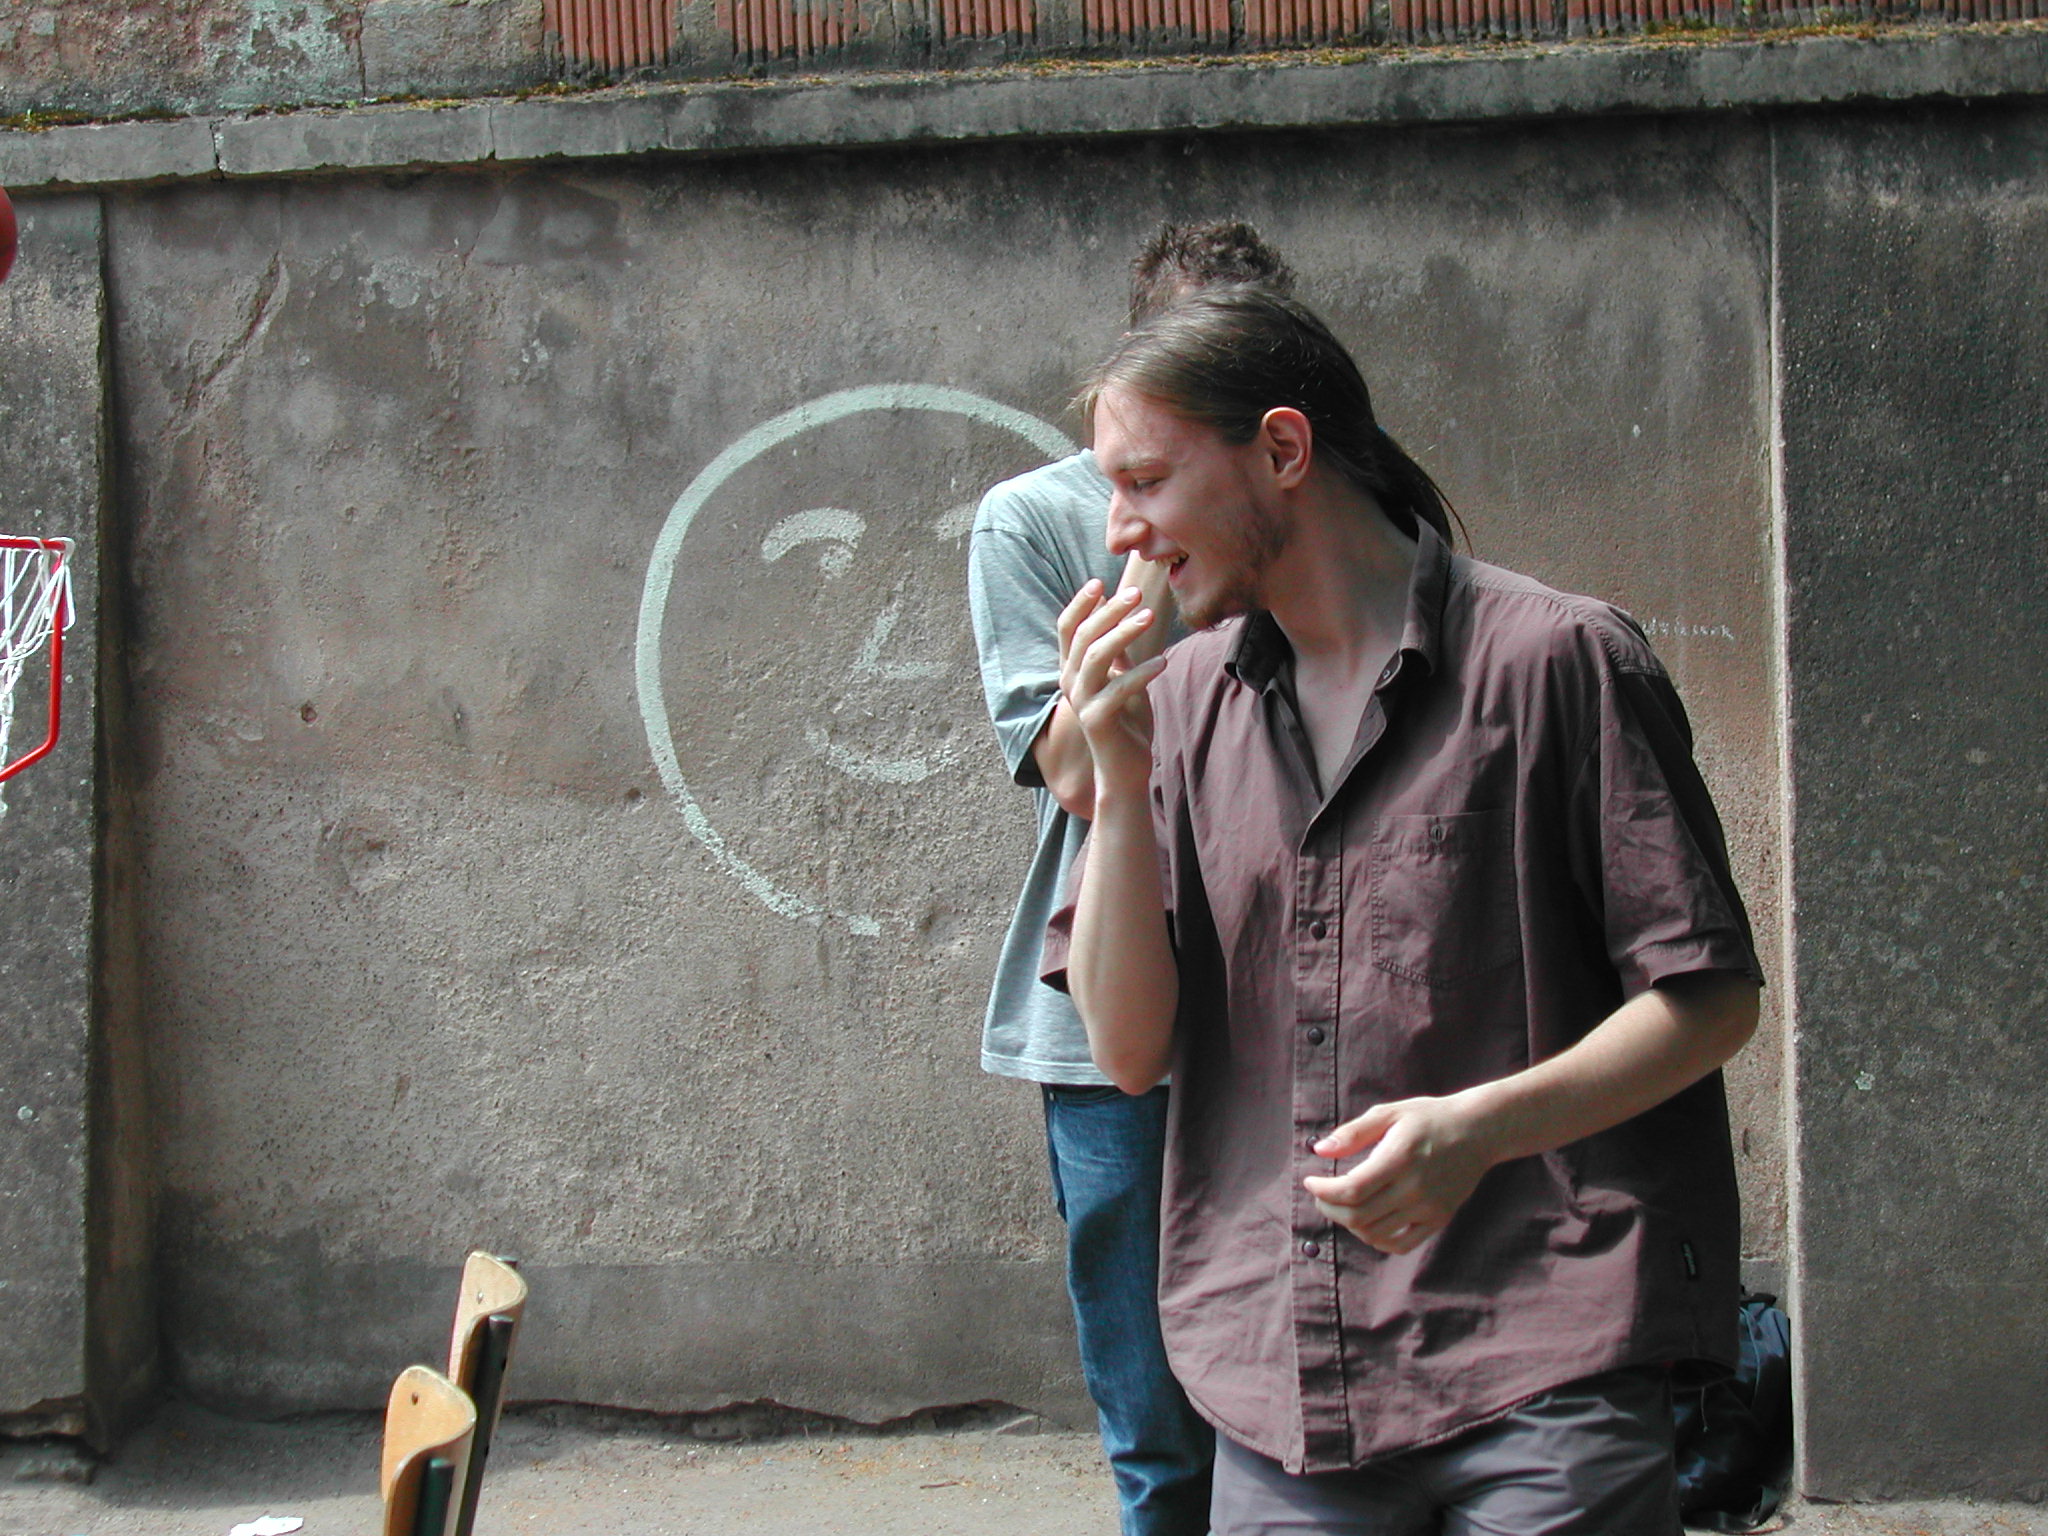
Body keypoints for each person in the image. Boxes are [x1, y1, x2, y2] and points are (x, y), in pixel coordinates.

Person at [1049, 287, 1763, 1535]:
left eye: (1144, 481)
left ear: (1280, 449)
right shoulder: (1183, 704)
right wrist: (1114, 780)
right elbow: (1124, 1051)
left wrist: (1479, 1130)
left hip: (1542, 1354)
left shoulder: (1557, 662)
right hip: (1284, 1378)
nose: (1118, 530)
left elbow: (1706, 1003)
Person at [966, 222, 1296, 1536]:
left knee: (1295, 1407)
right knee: (1156, 1435)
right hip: (1104, 1020)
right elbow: (1073, 776)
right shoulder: (1040, 519)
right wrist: (1161, 564)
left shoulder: (1297, 504)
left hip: (1285, 995)